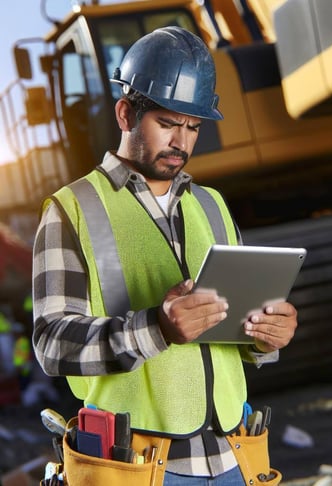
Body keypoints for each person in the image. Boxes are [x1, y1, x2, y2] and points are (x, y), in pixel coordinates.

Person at [32, 26, 297, 485]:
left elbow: (236, 335)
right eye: (168, 123)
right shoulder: (71, 210)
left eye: (193, 127)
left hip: (234, 455)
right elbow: (53, 344)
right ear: (125, 113)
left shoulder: (212, 205)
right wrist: (157, 328)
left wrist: (265, 336)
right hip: (136, 464)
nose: (182, 142)